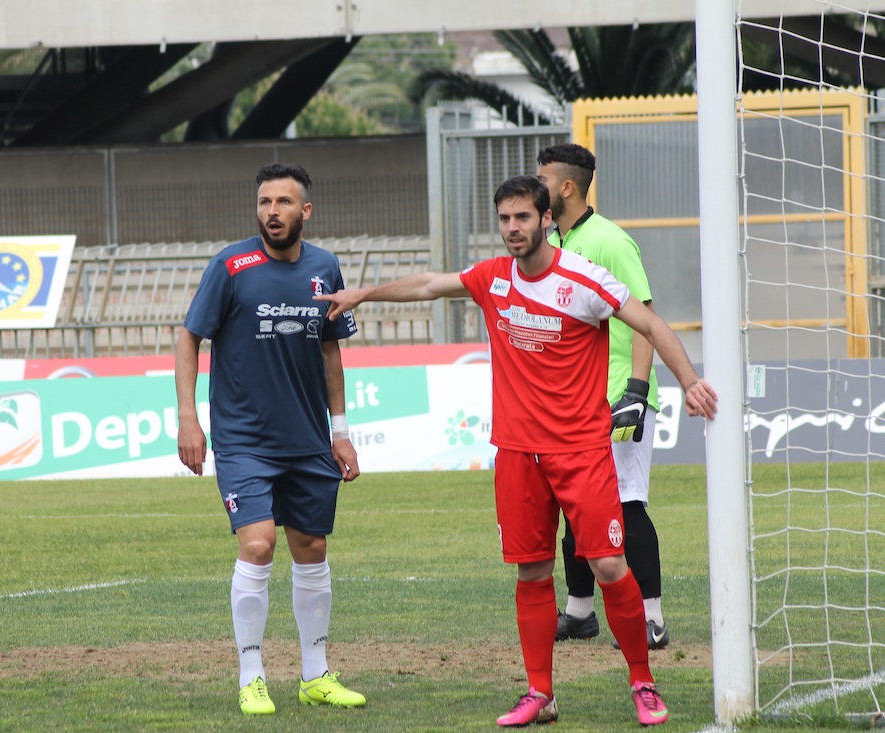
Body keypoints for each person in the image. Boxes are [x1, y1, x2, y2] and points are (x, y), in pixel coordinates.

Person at [315, 175, 717, 728]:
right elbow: (430, 285)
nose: (512, 228)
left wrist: (690, 381)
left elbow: (648, 321)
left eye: (522, 217)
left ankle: (642, 682)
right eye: (504, 218)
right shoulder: (493, 277)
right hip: (517, 454)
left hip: (581, 450)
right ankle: (540, 694)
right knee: (531, 572)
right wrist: (363, 294)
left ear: (546, 218)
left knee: (607, 564)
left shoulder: (583, 279)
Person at [174, 163, 366, 716]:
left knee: (313, 549)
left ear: (305, 211)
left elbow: (330, 350)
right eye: (264, 202)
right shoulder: (231, 265)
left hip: (308, 440)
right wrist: (188, 417)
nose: (272, 212)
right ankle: (251, 675)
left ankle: (315, 675)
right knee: (258, 545)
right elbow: (189, 337)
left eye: (283, 202)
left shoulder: (325, 267)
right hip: (244, 441)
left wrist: (340, 432)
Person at [537, 143, 670, 650]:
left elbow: (646, 318)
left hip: (618, 396)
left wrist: (636, 390)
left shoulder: (610, 241)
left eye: (542, 179)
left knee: (626, 505)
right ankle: (580, 612)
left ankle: (652, 618)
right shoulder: (552, 242)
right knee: (576, 505)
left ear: (567, 186)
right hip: (575, 401)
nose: (536, 186)